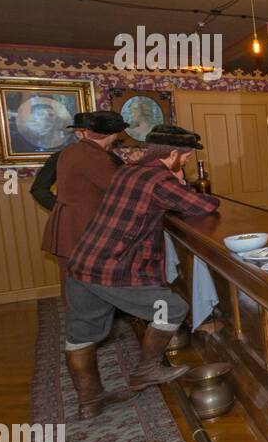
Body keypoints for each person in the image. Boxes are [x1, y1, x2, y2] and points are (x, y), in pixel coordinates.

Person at [62, 125, 219, 419]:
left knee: (80, 336)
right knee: (172, 308)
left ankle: (90, 402)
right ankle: (146, 370)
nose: (184, 163)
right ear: (172, 154)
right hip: (114, 267)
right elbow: (204, 205)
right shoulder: (158, 179)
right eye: (183, 159)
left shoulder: (127, 170)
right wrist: (180, 182)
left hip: (83, 262)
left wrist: (177, 180)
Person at [33, 110, 128, 281]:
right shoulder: (84, 155)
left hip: (85, 226)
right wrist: (65, 209)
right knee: (81, 283)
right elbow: (39, 189)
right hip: (79, 227)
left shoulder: (96, 154)